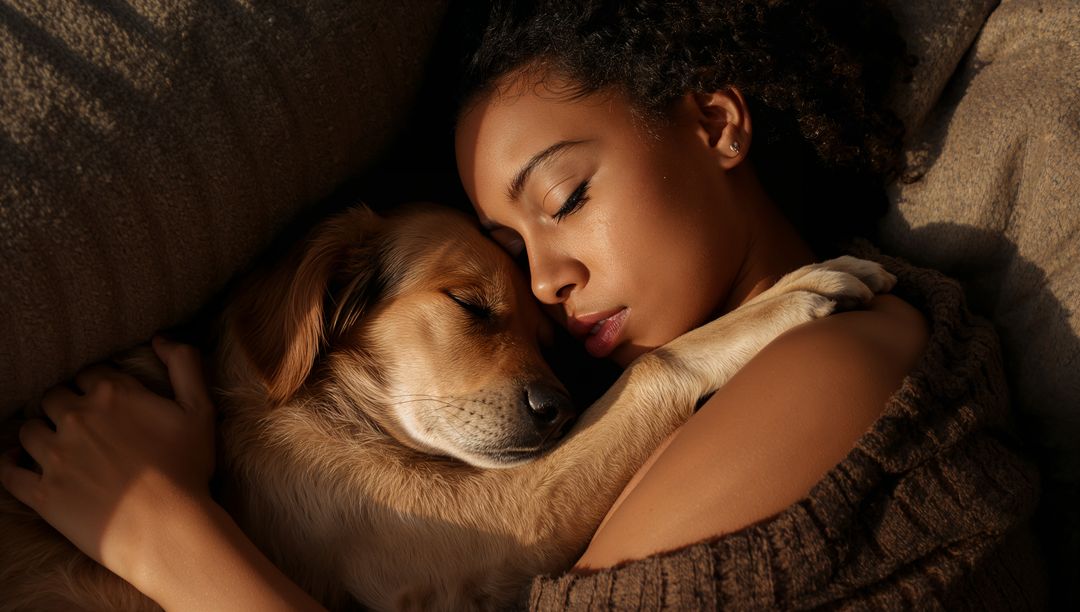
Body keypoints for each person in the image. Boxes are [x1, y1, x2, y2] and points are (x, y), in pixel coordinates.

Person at [0, 1, 1044, 609]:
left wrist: (159, 533)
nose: (545, 286)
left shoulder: (831, 355)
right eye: (507, 258)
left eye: (566, 197)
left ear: (718, 124)